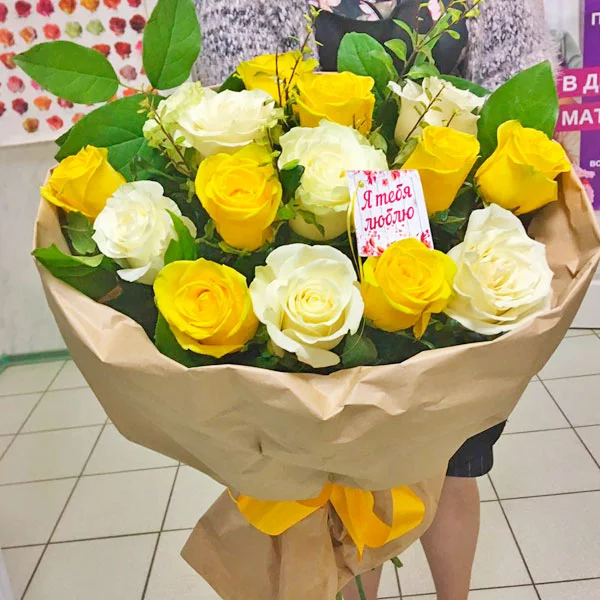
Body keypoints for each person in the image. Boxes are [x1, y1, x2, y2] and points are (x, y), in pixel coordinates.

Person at [192, 2, 557, 599]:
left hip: (460, 280)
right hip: (317, 280)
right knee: (349, 486)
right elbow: (239, 122)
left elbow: (520, 117)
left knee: (457, 466)